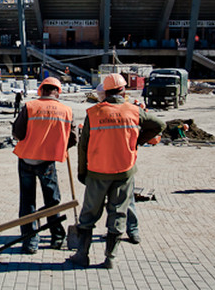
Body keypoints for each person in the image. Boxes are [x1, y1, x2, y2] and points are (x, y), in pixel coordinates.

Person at [67, 73, 165, 269]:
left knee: (88, 215)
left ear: (105, 91)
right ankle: (111, 258)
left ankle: (82, 255)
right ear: (123, 90)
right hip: (123, 172)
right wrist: (137, 141)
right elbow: (160, 125)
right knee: (118, 213)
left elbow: (83, 146)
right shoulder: (133, 111)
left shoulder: (94, 113)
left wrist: (82, 172)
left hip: (97, 172)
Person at [11, 77, 75, 253]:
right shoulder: (66, 111)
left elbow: (17, 133)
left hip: (26, 159)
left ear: (41, 90)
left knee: (27, 201)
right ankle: (57, 238)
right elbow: (71, 138)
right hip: (47, 161)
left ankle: (30, 242)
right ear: (58, 92)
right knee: (52, 200)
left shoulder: (30, 107)